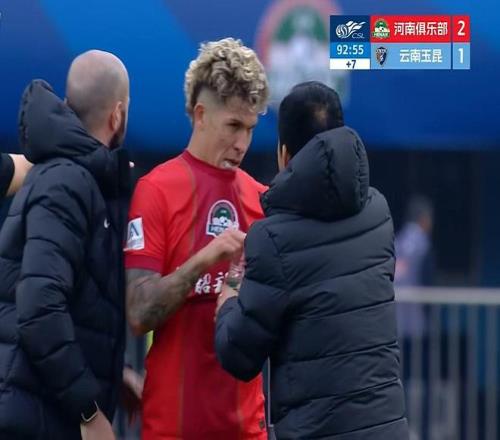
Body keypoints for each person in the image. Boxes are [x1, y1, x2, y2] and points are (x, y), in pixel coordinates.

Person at [215, 81, 409, 440]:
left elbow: (239, 354)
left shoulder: (273, 239)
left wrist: (228, 297)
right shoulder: (378, 213)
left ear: (284, 155)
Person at [125, 38, 269, 440]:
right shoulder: (156, 190)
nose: (242, 143)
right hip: (172, 429)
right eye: (234, 126)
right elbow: (138, 313)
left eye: (251, 129)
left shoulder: (261, 199)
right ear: (201, 115)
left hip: (247, 431)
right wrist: (204, 260)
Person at [0, 50, 132, 439]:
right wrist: (89, 410)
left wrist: (111, 372)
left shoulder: (76, 179)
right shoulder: (67, 182)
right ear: (117, 115)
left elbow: (75, 303)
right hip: (31, 419)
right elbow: (40, 309)